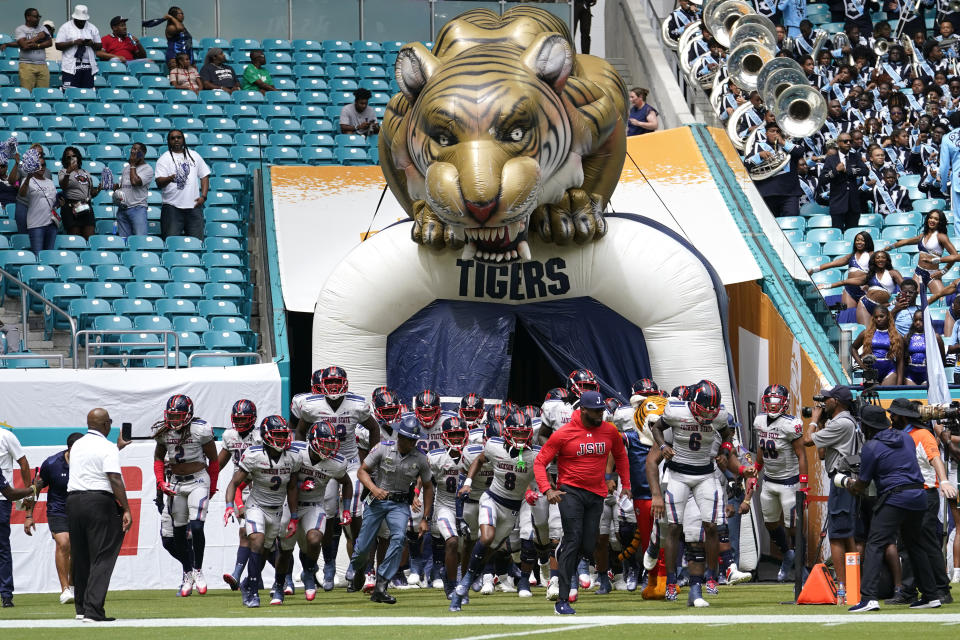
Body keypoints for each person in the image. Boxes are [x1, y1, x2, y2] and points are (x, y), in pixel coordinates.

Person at [649, 381, 750, 608]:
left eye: (711, 411)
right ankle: (672, 580)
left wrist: (724, 451)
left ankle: (712, 576)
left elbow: (727, 434)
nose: (707, 414)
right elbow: (656, 427)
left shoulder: (720, 415)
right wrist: (664, 445)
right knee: (674, 527)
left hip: (705, 474)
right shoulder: (676, 411)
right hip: (678, 474)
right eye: (704, 409)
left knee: (712, 526)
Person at [533, 390, 632, 615]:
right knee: (573, 540)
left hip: (596, 494)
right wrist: (547, 489)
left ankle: (563, 554)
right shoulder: (564, 433)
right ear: (583, 410)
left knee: (588, 546)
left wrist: (625, 483)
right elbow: (540, 462)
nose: (600, 414)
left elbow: (620, 455)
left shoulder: (609, 431)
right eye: (596, 411)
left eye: (602, 410)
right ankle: (563, 599)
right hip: (570, 492)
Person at [839, 405, 942, 611]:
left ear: (866, 426)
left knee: (875, 544)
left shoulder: (871, 447)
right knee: (915, 544)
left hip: (896, 497)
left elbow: (862, 485)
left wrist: (845, 483)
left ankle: (868, 597)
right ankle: (931, 595)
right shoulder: (905, 438)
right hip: (919, 495)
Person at [290, 367, 380, 590]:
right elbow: (300, 432)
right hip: (324, 463)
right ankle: (329, 563)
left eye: (336, 382)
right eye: (329, 383)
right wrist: (305, 458)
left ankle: (357, 560)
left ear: (345, 383)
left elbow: (374, 428)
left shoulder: (356, 405)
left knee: (356, 508)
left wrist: (372, 459)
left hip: (349, 462)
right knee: (328, 511)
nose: (332, 387)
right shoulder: (312, 406)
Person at [449, 409, 540, 610]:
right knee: (486, 538)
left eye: (524, 433)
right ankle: (465, 583)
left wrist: (539, 490)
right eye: (516, 433)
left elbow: (543, 476)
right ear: (507, 432)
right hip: (491, 499)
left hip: (512, 509)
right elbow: (479, 460)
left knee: (489, 550)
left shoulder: (535, 455)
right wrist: (468, 482)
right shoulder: (493, 446)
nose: (520, 437)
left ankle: (466, 581)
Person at [347, 414, 433, 604]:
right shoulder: (382, 449)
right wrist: (374, 489)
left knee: (399, 538)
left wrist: (426, 518)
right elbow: (362, 471)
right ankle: (359, 569)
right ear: (399, 436)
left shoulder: (420, 458)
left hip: (399, 504)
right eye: (408, 439)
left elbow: (428, 486)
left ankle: (381, 584)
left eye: (414, 440)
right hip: (376, 501)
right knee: (363, 546)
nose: (411, 443)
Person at [224, 416, 299, 608]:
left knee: (265, 551)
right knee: (256, 540)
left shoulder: (292, 457)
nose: (282, 439)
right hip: (256, 506)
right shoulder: (254, 455)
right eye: (278, 435)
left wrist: (294, 517)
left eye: (284, 435)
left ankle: (249, 583)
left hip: (277, 511)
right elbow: (234, 482)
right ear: (266, 437)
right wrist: (229, 506)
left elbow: (292, 488)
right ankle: (254, 593)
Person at [887, 398, 957, 605]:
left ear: (904, 416)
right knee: (906, 544)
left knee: (925, 543)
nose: (892, 416)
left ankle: (941, 589)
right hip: (908, 495)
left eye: (895, 413)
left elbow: (935, 458)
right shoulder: (901, 435)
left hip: (925, 493)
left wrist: (943, 480)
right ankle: (909, 590)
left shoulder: (922, 435)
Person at [67, 408, 131, 622]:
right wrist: (126, 508)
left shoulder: (77, 445)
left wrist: (116, 448)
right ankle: (94, 610)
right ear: (106, 425)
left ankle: (82, 609)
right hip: (98, 501)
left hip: (74, 501)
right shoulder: (106, 446)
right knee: (103, 555)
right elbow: (113, 477)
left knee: (81, 556)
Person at [152, 395, 218, 597]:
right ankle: (188, 572)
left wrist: (212, 487)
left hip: (198, 479)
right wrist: (160, 482)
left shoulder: (201, 430)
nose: (174, 420)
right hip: (176, 483)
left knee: (197, 526)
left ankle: (198, 569)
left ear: (188, 415)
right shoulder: (163, 431)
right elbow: (158, 459)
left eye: (179, 415)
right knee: (178, 531)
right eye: (171, 415)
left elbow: (214, 461)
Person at [801, 384, 860, 604]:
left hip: (841, 481)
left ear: (837, 402)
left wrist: (815, 421)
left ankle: (844, 590)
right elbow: (823, 455)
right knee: (846, 534)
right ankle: (854, 587)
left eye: (827, 400)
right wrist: (823, 425)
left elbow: (807, 440)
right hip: (844, 480)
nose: (823, 404)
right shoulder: (842, 423)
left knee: (837, 535)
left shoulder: (842, 422)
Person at [286, 421, 353, 601]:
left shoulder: (336, 463)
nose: (328, 448)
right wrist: (301, 484)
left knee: (314, 540)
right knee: (285, 546)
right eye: (325, 443)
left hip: (314, 504)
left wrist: (346, 509)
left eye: (332, 444)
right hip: (289, 503)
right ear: (313, 441)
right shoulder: (296, 452)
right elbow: (287, 481)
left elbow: (346, 482)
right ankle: (284, 580)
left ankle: (309, 571)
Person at [753, 384, 806, 583]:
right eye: (770, 401)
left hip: (789, 482)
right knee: (770, 522)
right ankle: (787, 554)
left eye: (777, 402)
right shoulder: (759, 420)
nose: (773, 406)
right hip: (769, 480)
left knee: (794, 526)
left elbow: (801, 455)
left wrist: (804, 484)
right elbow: (761, 447)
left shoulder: (791, 424)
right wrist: (757, 469)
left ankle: (801, 568)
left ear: (784, 404)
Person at [25, 432, 84, 605]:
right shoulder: (52, 464)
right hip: (57, 510)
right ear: (70, 449)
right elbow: (35, 488)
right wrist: (29, 515)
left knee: (77, 550)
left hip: (80, 510)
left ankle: (72, 585)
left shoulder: (87, 462)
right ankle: (64, 589)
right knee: (64, 543)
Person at [217, 399, 260, 591]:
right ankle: (240, 574)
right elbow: (218, 464)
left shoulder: (260, 437)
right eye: (238, 419)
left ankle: (279, 577)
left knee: (265, 540)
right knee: (245, 532)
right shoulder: (230, 436)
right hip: (239, 488)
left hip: (260, 486)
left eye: (245, 419)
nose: (241, 423)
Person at [884, 209, 958, 296]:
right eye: (930, 218)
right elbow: (906, 241)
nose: (932, 220)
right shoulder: (922, 235)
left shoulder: (941, 237)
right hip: (919, 272)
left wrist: (943, 271)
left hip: (932, 273)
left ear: (940, 222)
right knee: (913, 298)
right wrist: (891, 247)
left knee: (941, 299)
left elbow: (955, 256)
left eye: (936, 219)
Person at [155, 130, 210, 240]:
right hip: (172, 208)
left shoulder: (194, 155)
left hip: (194, 207)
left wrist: (203, 197)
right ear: (168, 141)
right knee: (171, 243)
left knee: (197, 243)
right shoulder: (164, 159)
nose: (176, 140)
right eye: (173, 138)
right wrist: (170, 178)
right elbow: (159, 182)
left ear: (183, 139)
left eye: (179, 137)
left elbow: (205, 175)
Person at [745, 122, 805, 217]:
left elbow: (799, 152)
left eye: (778, 131)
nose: (776, 134)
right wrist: (759, 155)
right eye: (772, 131)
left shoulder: (788, 145)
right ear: (766, 134)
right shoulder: (759, 146)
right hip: (768, 192)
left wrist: (783, 142)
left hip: (789, 193)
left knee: (791, 221)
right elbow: (746, 163)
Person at [0, 425, 30, 608]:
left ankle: (6, 594)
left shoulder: (5, 436)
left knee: (2, 548)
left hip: (2, 498)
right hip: (5, 495)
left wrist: (28, 495)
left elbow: (24, 463)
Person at [808, 230, 874, 310]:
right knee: (847, 313)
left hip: (865, 290)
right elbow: (832, 264)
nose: (859, 242)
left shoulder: (872, 255)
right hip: (850, 290)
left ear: (867, 242)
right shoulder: (851, 256)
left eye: (862, 240)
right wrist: (813, 270)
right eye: (857, 240)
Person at [820, 132, 869, 231]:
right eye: (845, 141)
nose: (848, 143)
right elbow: (822, 179)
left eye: (850, 141)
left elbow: (865, 171)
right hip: (837, 203)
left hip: (853, 204)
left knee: (852, 233)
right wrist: (836, 171)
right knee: (836, 233)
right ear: (838, 143)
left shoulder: (856, 156)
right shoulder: (831, 159)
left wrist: (848, 170)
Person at [18, 149, 58, 255]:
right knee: (38, 255)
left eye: (43, 165)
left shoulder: (50, 182)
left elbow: (53, 200)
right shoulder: (28, 180)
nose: (41, 168)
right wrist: (27, 179)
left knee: (49, 256)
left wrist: (59, 204)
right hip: (36, 225)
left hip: (51, 224)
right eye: (38, 165)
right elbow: (21, 194)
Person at [850, 305, 903, 385]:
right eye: (876, 317)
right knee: (872, 395)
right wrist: (861, 364)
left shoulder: (897, 336)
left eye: (881, 316)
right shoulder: (866, 333)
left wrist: (899, 383)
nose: (878, 319)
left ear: (888, 316)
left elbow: (900, 361)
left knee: (887, 396)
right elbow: (853, 348)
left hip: (889, 370)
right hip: (871, 370)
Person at [55, 5, 101, 89]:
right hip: (71, 66)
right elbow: (58, 45)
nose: (82, 22)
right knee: (71, 92)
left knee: (87, 93)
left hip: (88, 65)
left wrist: (91, 43)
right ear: (75, 18)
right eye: (80, 20)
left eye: (84, 20)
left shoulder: (92, 28)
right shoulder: (65, 27)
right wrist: (74, 42)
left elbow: (99, 46)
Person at [59, 146, 100, 240]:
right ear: (65, 159)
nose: (72, 158)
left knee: (90, 237)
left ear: (78, 157)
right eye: (68, 157)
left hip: (86, 207)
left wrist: (99, 189)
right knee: (75, 239)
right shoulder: (63, 172)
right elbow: (63, 186)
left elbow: (91, 193)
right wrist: (68, 172)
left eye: (74, 156)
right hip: (71, 208)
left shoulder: (85, 172)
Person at [114, 143, 154, 238]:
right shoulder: (126, 168)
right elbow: (125, 186)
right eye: (132, 149)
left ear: (143, 153)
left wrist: (132, 164)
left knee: (140, 240)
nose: (133, 151)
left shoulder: (147, 169)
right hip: (123, 209)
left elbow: (135, 182)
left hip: (137, 209)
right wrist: (117, 188)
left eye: (136, 150)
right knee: (124, 241)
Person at [15, 8, 52, 90]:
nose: (38, 19)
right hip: (27, 65)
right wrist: (38, 37)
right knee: (27, 93)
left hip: (42, 65)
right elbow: (24, 46)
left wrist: (37, 45)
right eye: (36, 17)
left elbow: (49, 43)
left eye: (39, 16)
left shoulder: (43, 28)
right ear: (28, 17)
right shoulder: (20, 29)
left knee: (43, 94)